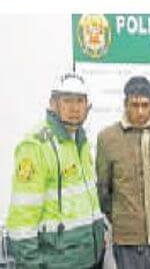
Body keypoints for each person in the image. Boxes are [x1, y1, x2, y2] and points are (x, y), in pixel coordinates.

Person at [6, 72, 105, 268]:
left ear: (88, 106)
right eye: (67, 101)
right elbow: (22, 220)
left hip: (87, 259)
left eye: (80, 101)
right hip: (57, 262)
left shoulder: (80, 141)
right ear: (53, 104)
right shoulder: (36, 146)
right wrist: (31, 264)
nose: (74, 108)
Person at [96, 76, 150, 268]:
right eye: (134, 105)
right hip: (128, 242)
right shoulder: (108, 139)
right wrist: (122, 218)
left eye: (145, 105)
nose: (140, 111)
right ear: (125, 104)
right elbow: (103, 190)